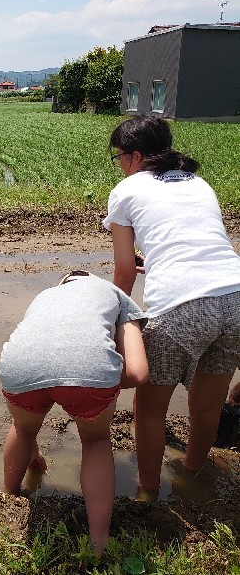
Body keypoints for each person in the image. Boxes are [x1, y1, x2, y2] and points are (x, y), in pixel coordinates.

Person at [104, 114, 240, 501]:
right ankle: (194, 472)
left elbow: (125, 270)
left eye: (119, 157)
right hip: (235, 295)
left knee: (149, 409)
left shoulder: (127, 189)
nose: (120, 165)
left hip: (181, 306)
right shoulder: (198, 182)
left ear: (134, 156)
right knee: (208, 403)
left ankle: (148, 492)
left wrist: (117, 322)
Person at [0, 270, 149, 556]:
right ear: (94, 280)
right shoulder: (117, 296)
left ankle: (9, 503)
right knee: (95, 441)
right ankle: (99, 542)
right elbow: (139, 373)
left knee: (23, 428)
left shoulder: (43, 297)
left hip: (18, 366)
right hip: (88, 372)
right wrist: (101, 381)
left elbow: (43, 350)